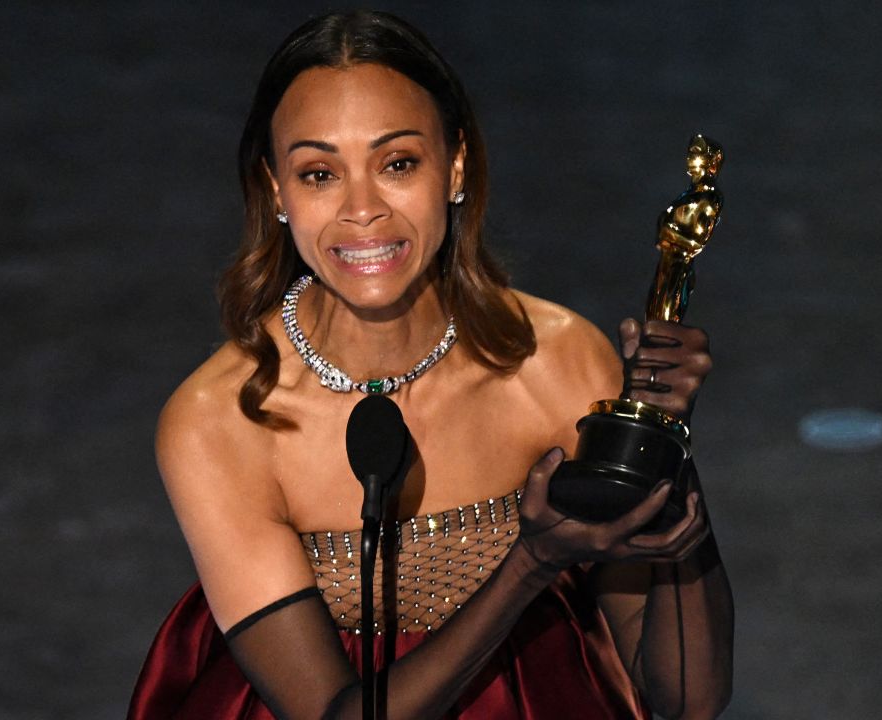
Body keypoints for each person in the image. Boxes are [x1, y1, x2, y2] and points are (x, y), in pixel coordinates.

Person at [129, 10, 733, 720]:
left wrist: (664, 450)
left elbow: (688, 698)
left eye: (397, 163)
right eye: (319, 173)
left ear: (455, 168)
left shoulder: (558, 361)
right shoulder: (220, 423)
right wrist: (528, 567)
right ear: (275, 192)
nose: (362, 210)